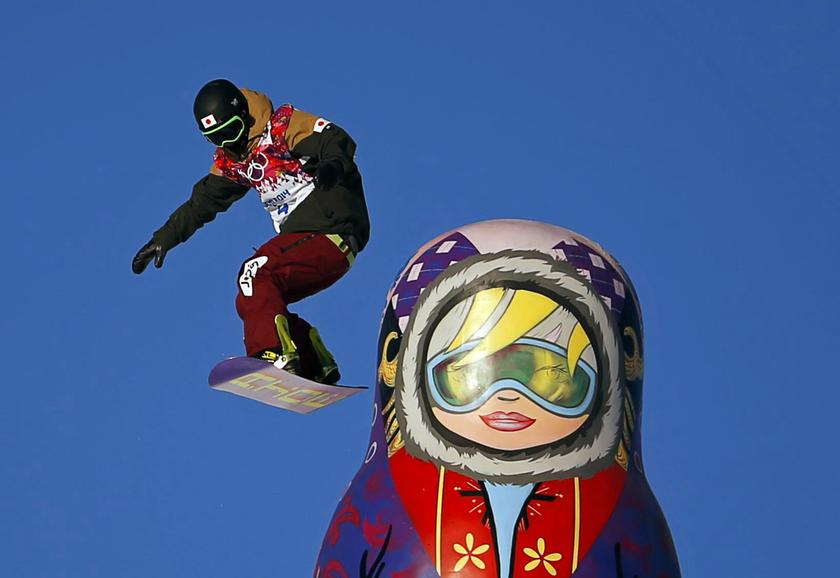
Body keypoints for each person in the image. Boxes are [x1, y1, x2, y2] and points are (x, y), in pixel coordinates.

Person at [132, 79, 369, 384]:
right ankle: (312, 358)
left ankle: (271, 353)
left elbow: (335, 140)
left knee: (255, 273)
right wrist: (164, 237)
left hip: (331, 227)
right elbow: (202, 202)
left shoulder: (281, 127)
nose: (229, 143)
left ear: (243, 115)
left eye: (230, 131)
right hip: (312, 243)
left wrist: (332, 166)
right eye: (216, 138)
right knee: (251, 298)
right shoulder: (234, 159)